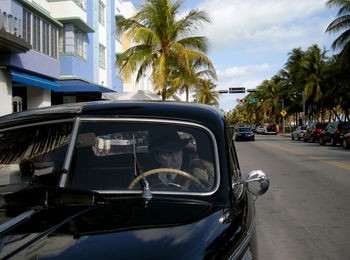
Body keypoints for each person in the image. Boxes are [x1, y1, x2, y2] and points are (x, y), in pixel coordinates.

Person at [147, 130, 214, 191]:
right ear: (157, 156)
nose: (175, 159)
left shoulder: (199, 171)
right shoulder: (146, 177)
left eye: (178, 151)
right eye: (168, 153)